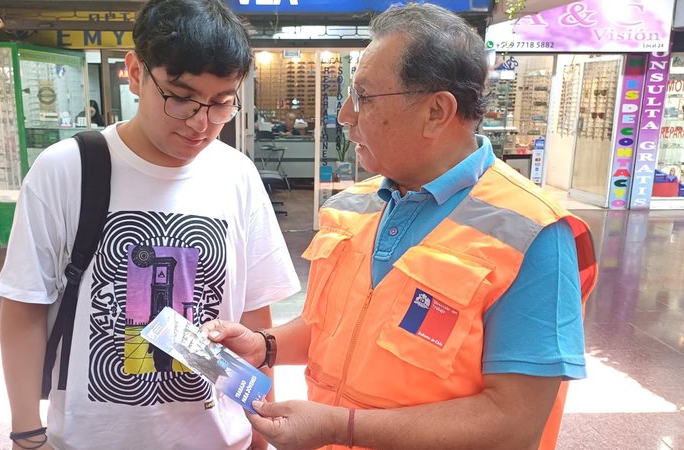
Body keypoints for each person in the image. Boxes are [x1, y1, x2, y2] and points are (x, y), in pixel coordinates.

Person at [203, 4, 598, 450]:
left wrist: (341, 426)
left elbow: (514, 423)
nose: (345, 115)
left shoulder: (531, 233)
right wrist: (266, 345)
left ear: (436, 111)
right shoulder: (352, 207)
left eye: (364, 97)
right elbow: (336, 327)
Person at [0, 1, 300, 449]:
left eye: (221, 104)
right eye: (181, 98)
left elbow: (254, 318)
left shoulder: (237, 175)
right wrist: (26, 432)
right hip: (90, 440)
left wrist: (259, 429)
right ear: (136, 73)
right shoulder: (66, 169)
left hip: (217, 439)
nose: (201, 123)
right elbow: (25, 306)